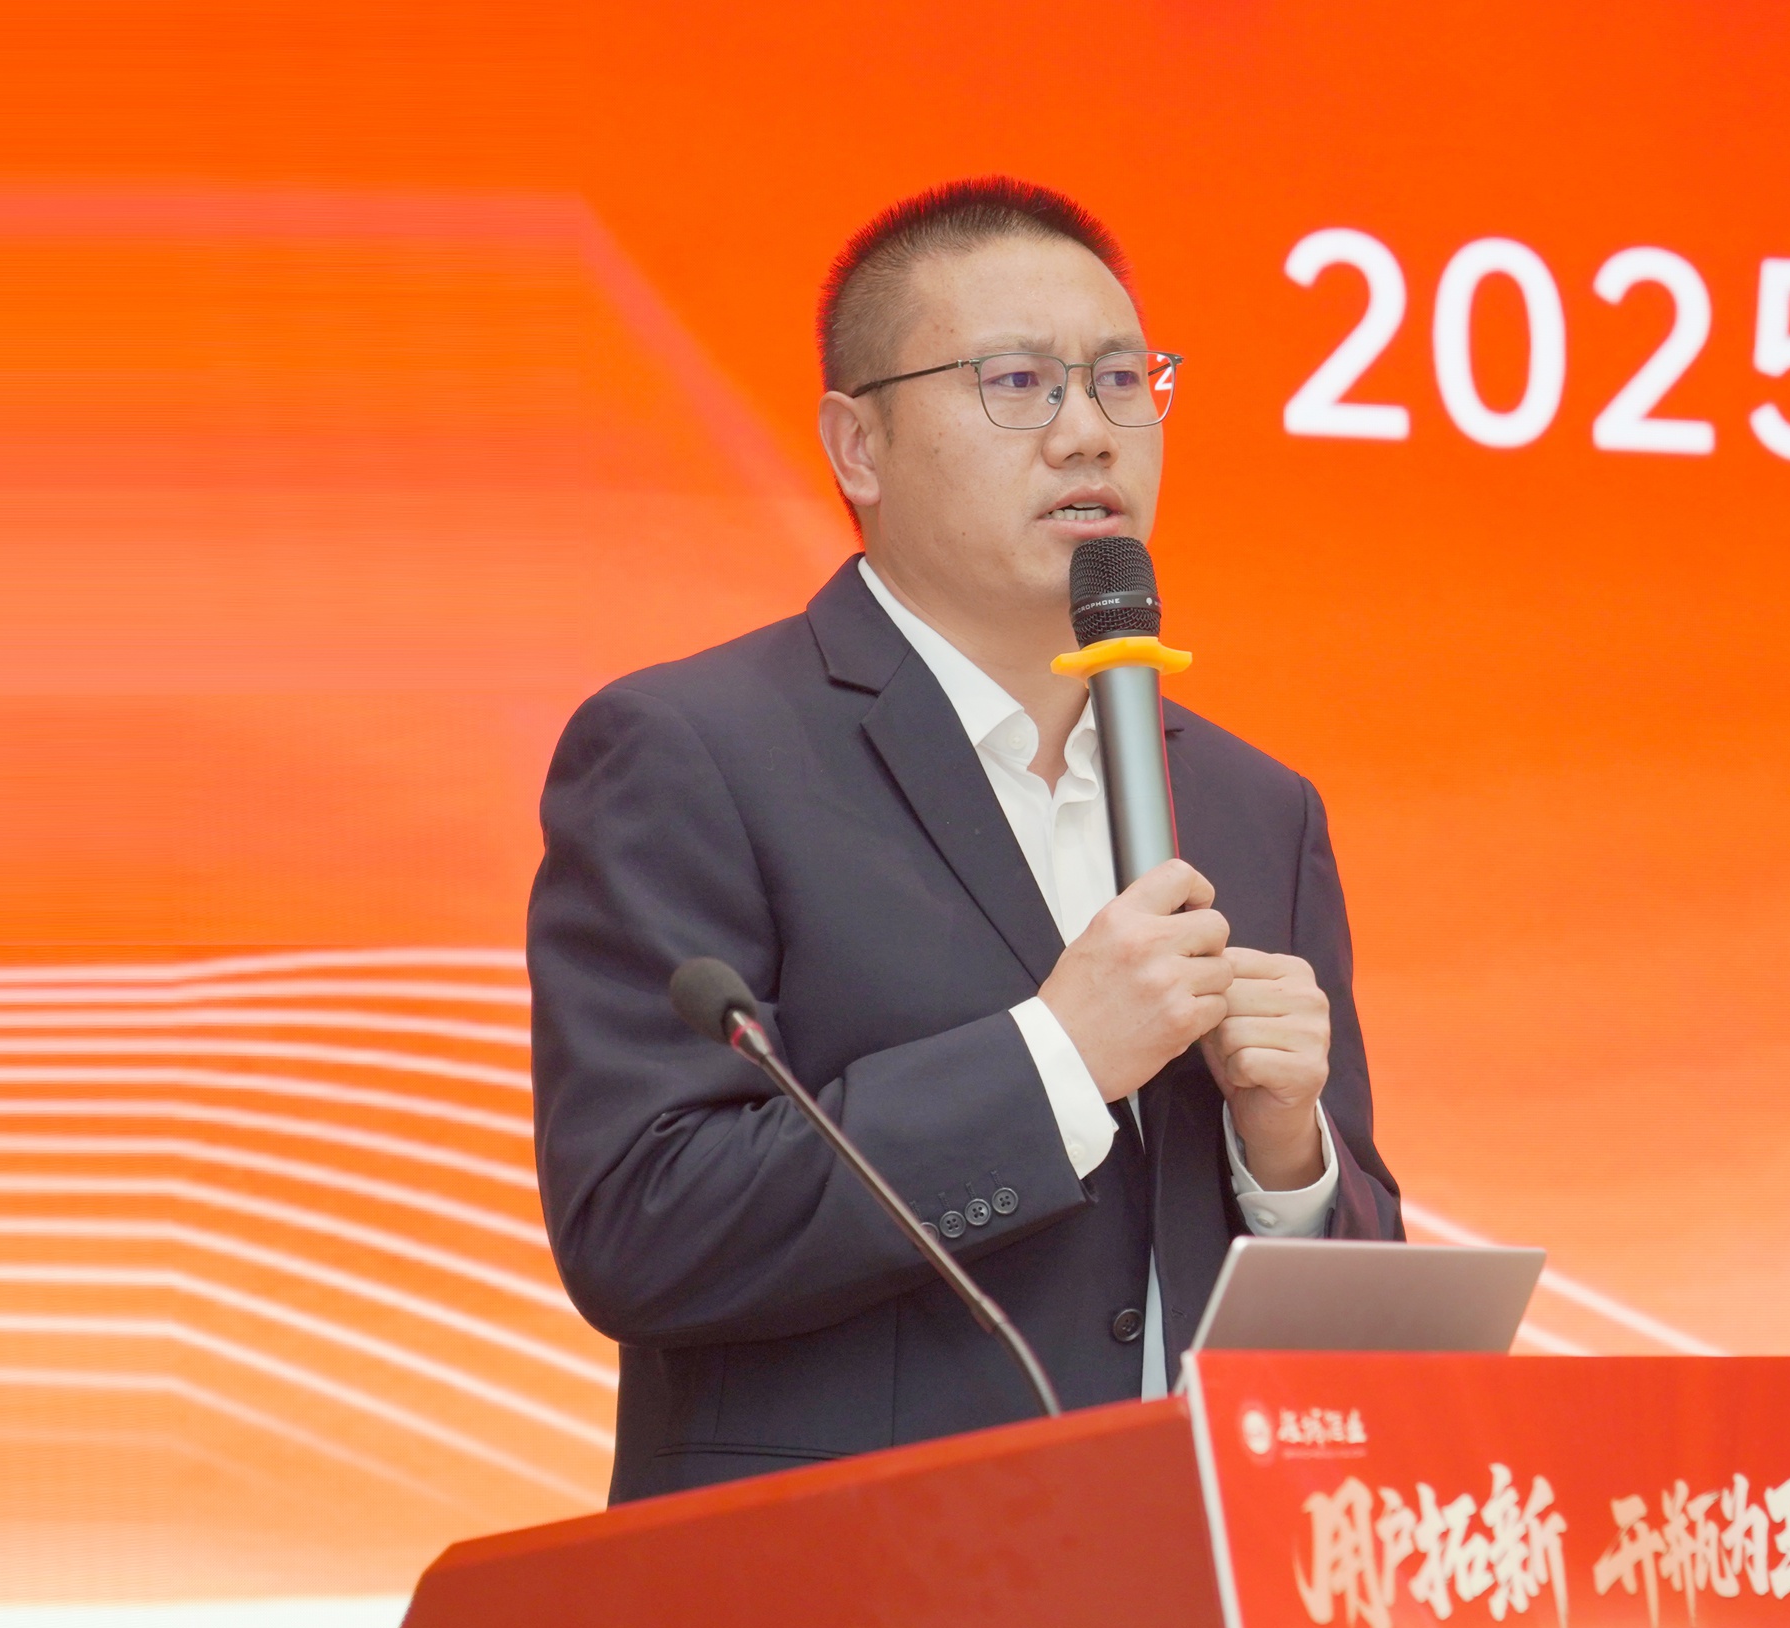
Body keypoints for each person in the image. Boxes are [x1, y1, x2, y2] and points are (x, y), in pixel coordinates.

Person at [528, 178, 1403, 1503]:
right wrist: (1056, 1059)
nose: (1088, 432)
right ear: (858, 447)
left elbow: (1359, 1330)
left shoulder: (1256, 805)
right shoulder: (691, 749)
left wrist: (1286, 1161)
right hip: (841, 1592)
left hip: (1180, 1586)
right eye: (1017, 383)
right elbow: (642, 1222)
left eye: (1122, 381)